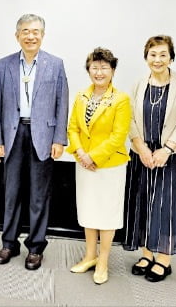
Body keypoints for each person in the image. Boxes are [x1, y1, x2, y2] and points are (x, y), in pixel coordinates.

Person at [0, 14, 69, 271]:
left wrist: (59, 139)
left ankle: (35, 247)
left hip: (43, 136)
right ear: (17, 36)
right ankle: (9, 243)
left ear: (43, 36)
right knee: (11, 194)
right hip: (12, 135)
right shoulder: (2, 66)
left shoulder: (55, 65)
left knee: (38, 196)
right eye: (25, 31)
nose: (30, 35)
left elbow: (62, 102)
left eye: (35, 31)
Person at [122, 35, 176, 282]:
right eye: (153, 54)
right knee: (143, 203)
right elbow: (129, 119)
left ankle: (164, 258)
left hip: (171, 155)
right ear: (146, 58)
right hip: (142, 153)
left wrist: (167, 149)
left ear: (171, 57)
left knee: (166, 207)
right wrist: (140, 147)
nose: (157, 59)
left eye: (163, 54)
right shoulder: (138, 84)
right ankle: (146, 253)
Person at [66, 47, 131, 285]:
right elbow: (72, 128)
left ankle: (103, 261)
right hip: (84, 164)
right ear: (88, 70)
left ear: (112, 70)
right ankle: (90, 256)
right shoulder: (81, 96)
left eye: (104, 67)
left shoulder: (121, 99)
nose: (99, 72)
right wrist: (81, 153)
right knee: (88, 211)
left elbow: (118, 135)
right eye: (95, 67)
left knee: (107, 215)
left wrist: (93, 157)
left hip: (109, 165)